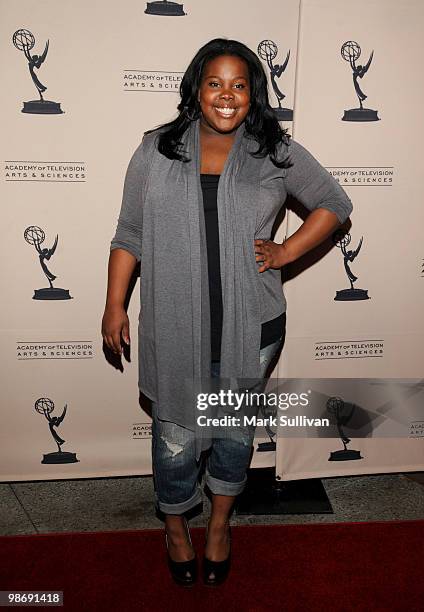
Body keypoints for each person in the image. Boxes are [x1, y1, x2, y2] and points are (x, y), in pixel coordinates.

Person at [102, 38, 352, 587]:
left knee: (234, 428)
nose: (226, 95)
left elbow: (335, 203)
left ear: (252, 93)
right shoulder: (156, 149)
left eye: (239, 84)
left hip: (250, 323)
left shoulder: (274, 150)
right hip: (172, 322)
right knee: (174, 435)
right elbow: (130, 233)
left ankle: (219, 524)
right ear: (197, 87)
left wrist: (286, 251)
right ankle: (173, 527)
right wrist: (114, 304)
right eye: (214, 82)